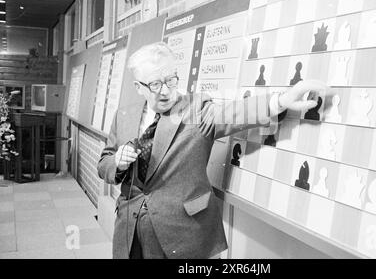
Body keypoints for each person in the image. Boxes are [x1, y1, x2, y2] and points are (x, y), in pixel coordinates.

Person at [97, 42, 326, 259]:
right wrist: (117, 162)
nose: (166, 91)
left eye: (171, 80)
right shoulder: (124, 115)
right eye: (155, 84)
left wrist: (280, 101)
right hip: (131, 229)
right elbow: (104, 163)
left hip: (181, 232)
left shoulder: (195, 110)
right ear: (138, 87)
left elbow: (233, 113)